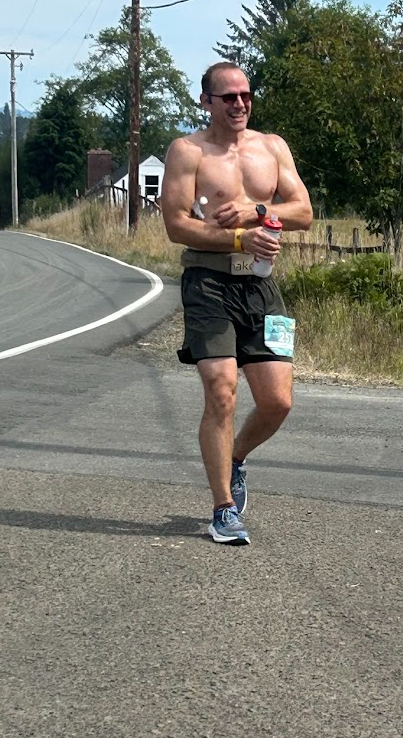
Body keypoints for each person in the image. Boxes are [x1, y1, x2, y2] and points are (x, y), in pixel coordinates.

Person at [160, 61, 313, 546]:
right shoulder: (188, 152)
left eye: (246, 95)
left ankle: (238, 459)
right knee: (221, 389)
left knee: (277, 402)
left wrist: (260, 211)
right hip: (207, 282)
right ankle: (223, 509)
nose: (240, 103)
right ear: (206, 102)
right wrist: (238, 240)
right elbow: (176, 224)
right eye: (228, 97)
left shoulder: (272, 147)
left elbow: (304, 212)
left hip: (262, 289)